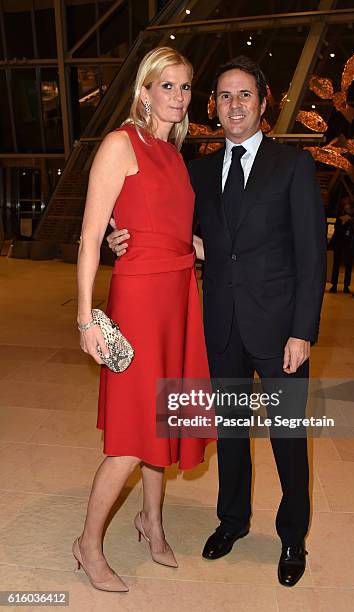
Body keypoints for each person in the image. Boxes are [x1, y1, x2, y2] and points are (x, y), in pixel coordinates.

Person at [109, 55, 326, 587]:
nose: (234, 105)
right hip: (220, 326)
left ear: (263, 101)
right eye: (224, 96)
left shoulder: (292, 164)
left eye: (244, 95)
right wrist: (123, 239)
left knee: (287, 437)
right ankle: (232, 522)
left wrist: (302, 330)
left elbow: (312, 255)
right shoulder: (197, 168)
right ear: (214, 105)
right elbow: (170, 227)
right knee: (229, 433)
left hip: (279, 331)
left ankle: (292, 535)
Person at [76, 47, 213, 593]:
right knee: (134, 435)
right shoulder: (120, 143)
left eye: (185, 87)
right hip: (138, 300)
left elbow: (167, 224)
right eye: (167, 86)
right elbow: (90, 235)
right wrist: (87, 319)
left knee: (166, 417)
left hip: (179, 296)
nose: (178, 97)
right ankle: (87, 545)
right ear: (145, 89)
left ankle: (151, 522)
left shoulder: (173, 154)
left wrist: (198, 246)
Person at [329, 197, 354, 293]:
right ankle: (334, 284)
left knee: (348, 266)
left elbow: (353, 230)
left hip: (349, 244)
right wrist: (343, 223)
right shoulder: (340, 216)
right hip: (339, 243)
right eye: (345, 205)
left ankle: (346, 286)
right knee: (336, 265)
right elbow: (336, 228)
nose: (347, 207)